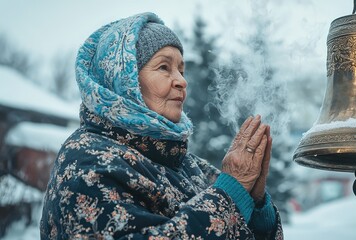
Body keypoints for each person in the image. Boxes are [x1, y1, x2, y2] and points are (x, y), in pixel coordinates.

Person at [40, 12, 283, 239]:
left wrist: (254, 202)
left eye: (181, 69)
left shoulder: (183, 162)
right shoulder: (86, 162)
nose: (181, 81)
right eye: (164, 67)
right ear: (125, 80)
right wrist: (231, 192)